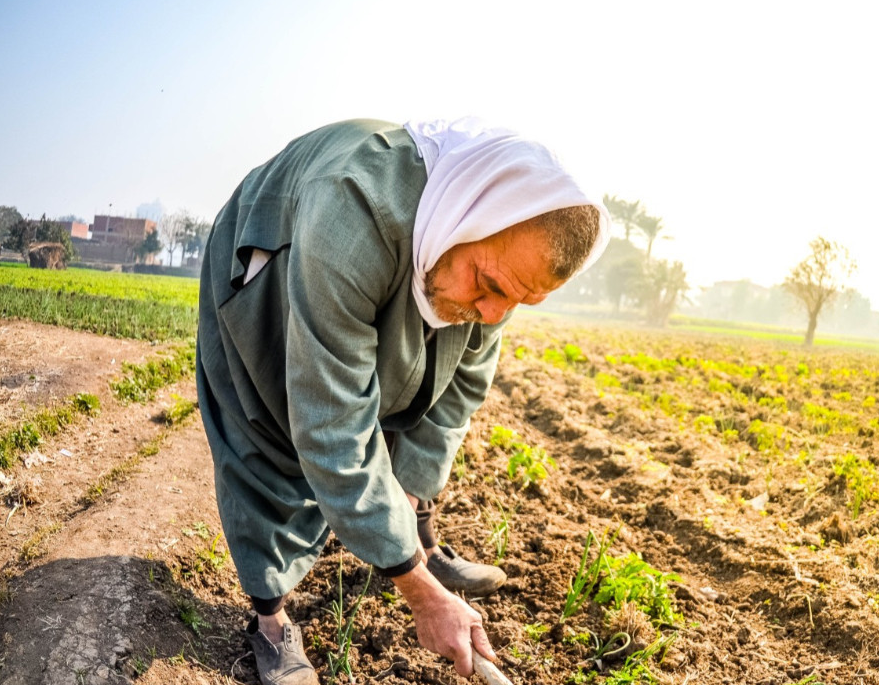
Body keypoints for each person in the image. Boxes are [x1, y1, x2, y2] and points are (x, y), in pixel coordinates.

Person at [196, 116, 609, 684]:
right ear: (465, 217)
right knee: (273, 429)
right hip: (276, 257)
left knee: (423, 378)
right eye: (489, 288)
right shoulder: (350, 212)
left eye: (516, 302)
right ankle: (270, 621)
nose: (493, 314)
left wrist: (409, 517)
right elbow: (332, 426)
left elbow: (461, 386)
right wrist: (421, 595)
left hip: (393, 257)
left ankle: (415, 537)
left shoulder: (492, 252)